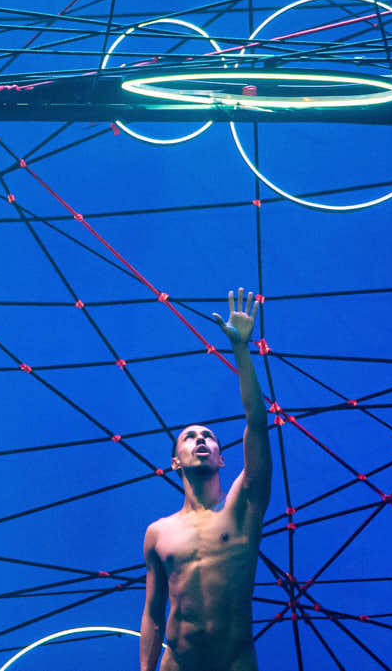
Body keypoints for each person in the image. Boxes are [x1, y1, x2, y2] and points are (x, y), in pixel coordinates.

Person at [141, 286, 272, 671]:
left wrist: (240, 349)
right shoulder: (158, 532)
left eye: (209, 437)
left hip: (234, 661)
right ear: (174, 462)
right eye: (190, 437)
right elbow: (153, 613)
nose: (200, 440)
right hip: (178, 662)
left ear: (222, 458)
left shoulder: (243, 506)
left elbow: (257, 423)